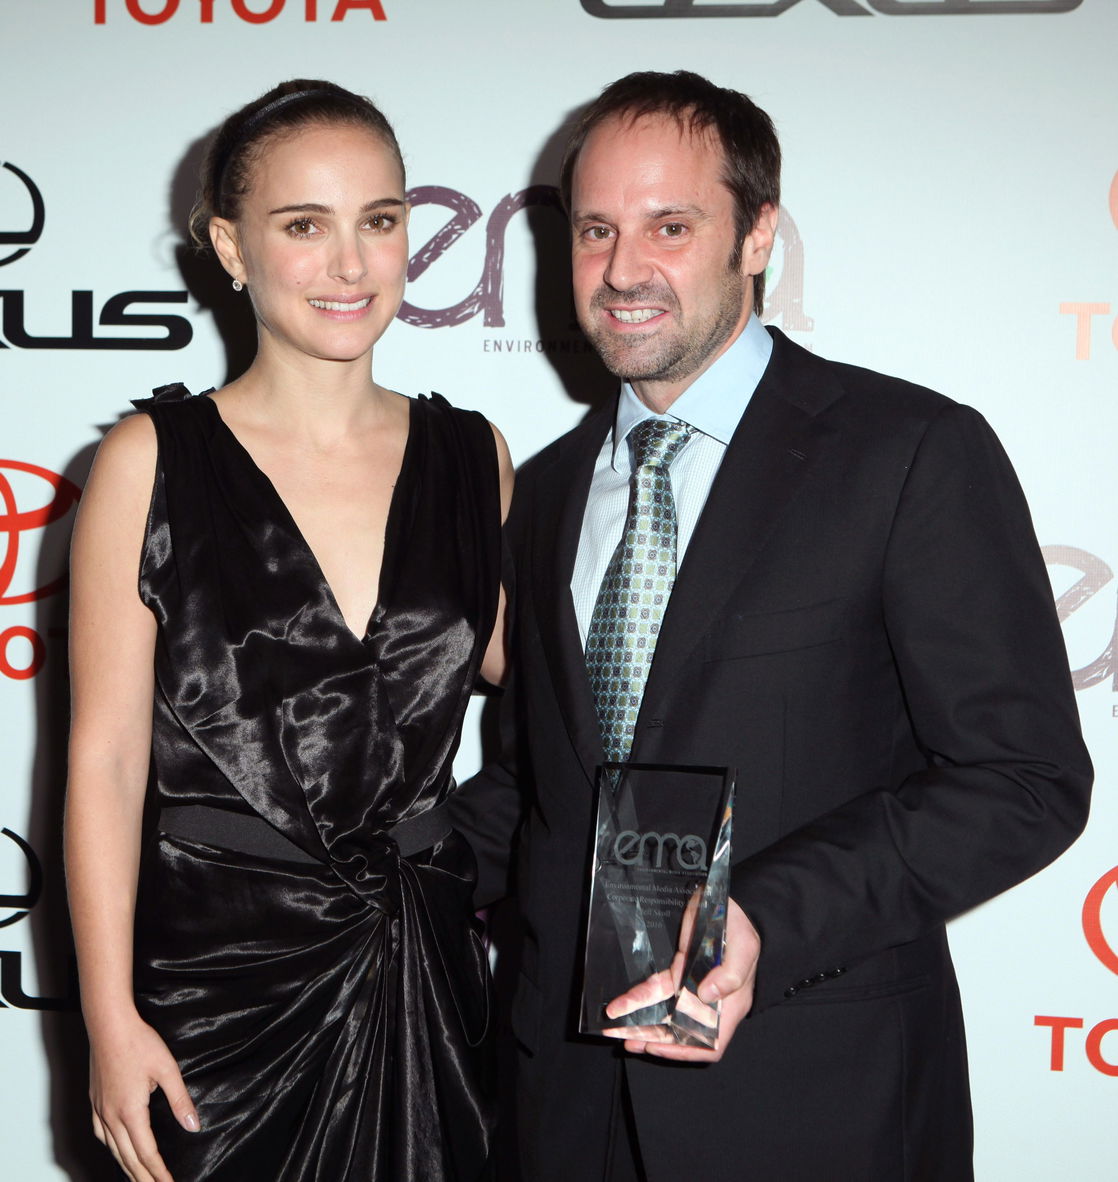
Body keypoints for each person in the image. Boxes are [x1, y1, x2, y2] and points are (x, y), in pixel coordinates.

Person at [451, 70, 1092, 1180]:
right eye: (595, 230)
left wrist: (761, 918)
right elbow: (538, 788)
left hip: (815, 1103)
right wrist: (346, 883)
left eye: (670, 226)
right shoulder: (544, 492)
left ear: (756, 235)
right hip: (564, 1111)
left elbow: (1023, 778)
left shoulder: (907, 454)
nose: (623, 270)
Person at [64, 79, 512, 1182]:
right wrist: (109, 1020)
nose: (350, 265)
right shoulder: (149, 463)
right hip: (218, 1000)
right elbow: (106, 762)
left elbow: (550, 697)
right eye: (304, 226)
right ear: (230, 247)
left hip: (426, 973)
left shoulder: (475, 459)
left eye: (379, 220)